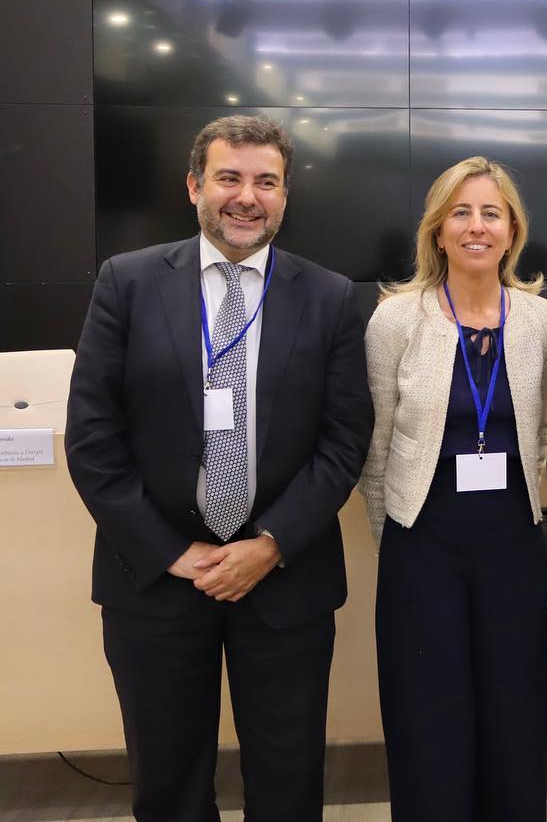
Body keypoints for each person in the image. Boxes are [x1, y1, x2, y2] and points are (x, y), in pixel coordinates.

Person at [64, 114, 374, 821]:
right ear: (194, 186)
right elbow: (92, 438)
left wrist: (269, 545)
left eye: (266, 182)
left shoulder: (328, 296)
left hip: (284, 578)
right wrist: (172, 553)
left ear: (285, 195)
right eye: (229, 178)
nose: (247, 197)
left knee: (289, 781)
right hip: (155, 581)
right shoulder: (127, 282)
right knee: (167, 783)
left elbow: (345, 438)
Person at [358, 156, 547, 820]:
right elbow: (375, 449)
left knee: (513, 707)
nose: (477, 226)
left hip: (512, 543)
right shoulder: (396, 321)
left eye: (491, 213)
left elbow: (545, 430)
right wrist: (392, 538)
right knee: (427, 713)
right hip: (423, 545)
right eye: (461, 213)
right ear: (438, 231)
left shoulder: (543, 321)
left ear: (512, 232)